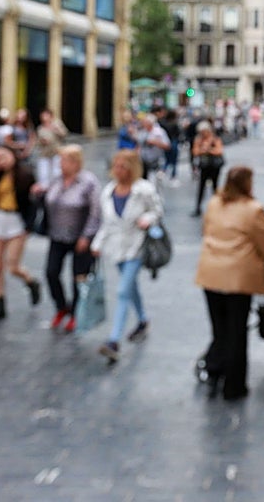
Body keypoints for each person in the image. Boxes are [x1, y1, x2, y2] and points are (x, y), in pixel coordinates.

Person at [195, 166, 264, 400]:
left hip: (210, 274)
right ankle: (234, 386)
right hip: (238, 278)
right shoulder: (253, 209)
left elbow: (207, 230)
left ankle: (215, 368)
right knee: (237, 331)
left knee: (219, 328)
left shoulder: (214, 203)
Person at [91, 148, 163, 364]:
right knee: (130, 287)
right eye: (116, 166)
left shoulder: (144, 190)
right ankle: (142, 320)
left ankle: (113, 340)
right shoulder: (108, 192)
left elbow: (158, 211)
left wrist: (148, 219)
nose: (118, 170)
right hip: (117, 247)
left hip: (137, 246)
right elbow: (107, 222)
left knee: (122, 291)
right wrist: (98, 243)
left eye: (123, 166)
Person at [34, 144, 100, 333]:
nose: (60, 164)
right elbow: (49, 198)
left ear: (75, 162)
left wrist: (87, 236)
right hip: (58, 234)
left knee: (78, 277)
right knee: (51, 272)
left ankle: (77, 312)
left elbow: (96, 213)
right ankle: (62, 306)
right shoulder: (57, 180)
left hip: (80, 237)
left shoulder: (88, 182)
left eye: (63, 160)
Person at [0, 146, 40, 323]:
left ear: (13, 156)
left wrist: (29, 226)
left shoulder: (25, 175)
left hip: (16, 222)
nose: (1, 160)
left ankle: (30, 281)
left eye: (4, 156)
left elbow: (32, 203)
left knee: (12, 266)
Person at [191, 123, 225, 216]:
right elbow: (195, 151)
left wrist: (208, 149)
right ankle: (198, 207)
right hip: (204, 166)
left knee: (215, 186)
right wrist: (203, 150)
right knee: (201, 187)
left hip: (214, 166)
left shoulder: (215, 139)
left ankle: (218, 207)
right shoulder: (198, 139)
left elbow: (219, 151)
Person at [33, 108, 69, 186]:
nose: (44, 117)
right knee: (43, 173)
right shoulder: (40, 128)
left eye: (46, 115)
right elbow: (37, 142)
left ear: (50, 116)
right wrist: (42, 142)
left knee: (56, 172)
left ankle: (56, 187)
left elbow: (64, 134)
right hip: (44, 153)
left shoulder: (57, 123)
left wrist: (56, 129)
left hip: (56, 151)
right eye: (43, 115)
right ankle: (44, 188)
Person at [136, 114, 170, 179]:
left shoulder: (159, 132)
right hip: (143, 161)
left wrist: (156, 142)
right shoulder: (142, 132)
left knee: (153, 180)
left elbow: (167, 146)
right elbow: (138, 144)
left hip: (156, 161)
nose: (143, 124)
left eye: (145, 122)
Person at [158, 108, 182, 182]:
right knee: (174, 161)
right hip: (174, 142)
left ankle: (163, 171)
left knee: (167, 159)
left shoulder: (164, 123)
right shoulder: (175, 124)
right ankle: (173, 176)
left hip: (166, 142)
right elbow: (179, 134)